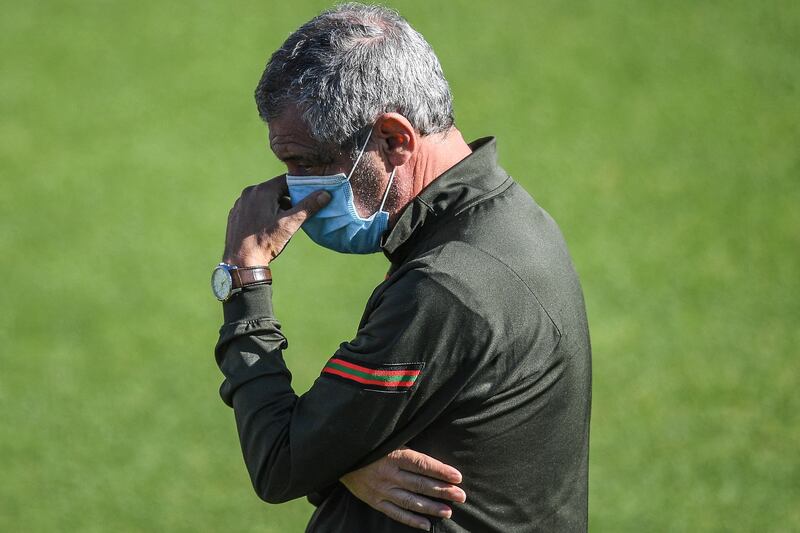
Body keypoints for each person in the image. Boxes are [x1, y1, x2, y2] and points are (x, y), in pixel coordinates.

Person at [212, 3, 592, 531]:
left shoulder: (447, 286)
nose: (293, 189)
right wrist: (342, 461)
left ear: (395, 139)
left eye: (307, 162)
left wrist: (243, 276)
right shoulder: (507, 216)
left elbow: (281, 461)